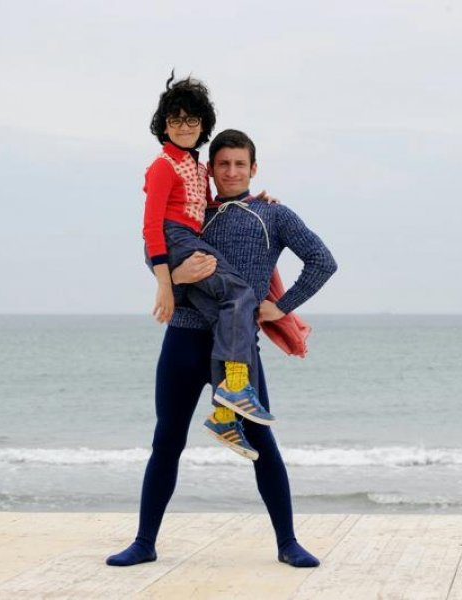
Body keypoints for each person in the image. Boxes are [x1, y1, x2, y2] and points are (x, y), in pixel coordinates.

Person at [106, 128, 337, 568]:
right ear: (209, 169)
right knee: (166, 440)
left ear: (254, 168)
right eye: (223, 164)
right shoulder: (194, 217)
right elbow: (156, 255)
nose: (231, 171)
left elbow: (323, 261)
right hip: (183, 339)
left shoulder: (273, 214)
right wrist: (176, 277)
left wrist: (280, 307)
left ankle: (288, 543)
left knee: (261, 441)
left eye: (240, 164)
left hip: (236, 350)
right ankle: (144, 542)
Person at [142, 73, 274, 459]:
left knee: (223, 317)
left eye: (192, 119)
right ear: (164, 124)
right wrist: (166, 284)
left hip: (189, 238)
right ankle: (235, 386)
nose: (183, 126)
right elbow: (151, 227)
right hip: (176, 240)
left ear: (203, 124)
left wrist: (256, 201)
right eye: (175, 119)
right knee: (240, 294)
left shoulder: (197, 168)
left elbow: (211, 206)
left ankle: (224, 416)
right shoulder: (163, 165)